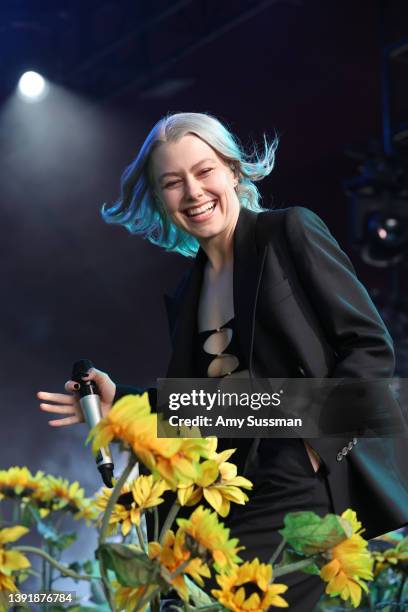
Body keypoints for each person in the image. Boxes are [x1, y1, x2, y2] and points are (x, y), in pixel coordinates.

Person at [38, 112, 408, 611]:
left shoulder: (287, 231)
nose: (192, 191)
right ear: (159, 198)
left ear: (233, 171)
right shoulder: (187, 290)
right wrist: (119, 401)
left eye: (204, 170)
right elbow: (209, 406)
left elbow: (369, 347)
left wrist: (318, 450)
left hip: (297, 482)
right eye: (172, 182)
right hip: (215, 491)